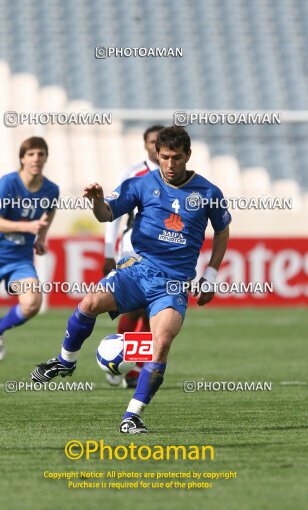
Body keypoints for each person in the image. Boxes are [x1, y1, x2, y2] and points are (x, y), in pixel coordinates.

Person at [31, 126, 231, 434]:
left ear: (188, 156)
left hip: (173, 283)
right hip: (138, 270)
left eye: (176, 158)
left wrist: (211, 276)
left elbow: (222, 231)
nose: (170, 164)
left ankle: (132, 416)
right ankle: (65, 360)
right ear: (156, 155)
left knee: (161, 343)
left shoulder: (208, 193)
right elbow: (105, 214)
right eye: (164, 157)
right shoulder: (140, 184)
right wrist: (96, 200)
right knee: (89, 303)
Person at [0, 137, 59, 367]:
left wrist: (41, 238)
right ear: (22, 158)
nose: (36, 158)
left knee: (32, 304)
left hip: (20, 259)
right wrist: (27, 227)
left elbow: (49, 213)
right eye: (31, 154)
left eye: (40, 154)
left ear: (46, 158)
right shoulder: (7, 184)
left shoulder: (51, 189)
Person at [103, 124, 164, 388]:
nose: (155, 146)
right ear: (145, 144)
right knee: (135, 306)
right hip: (131, 246)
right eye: (151, 142)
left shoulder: (175, 175)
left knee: (153, 309)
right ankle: (119, 363)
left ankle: (132, 365)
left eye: (159, 142)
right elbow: (112, 212)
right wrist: (108, 251)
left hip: (162, 251)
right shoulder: (133, 173)